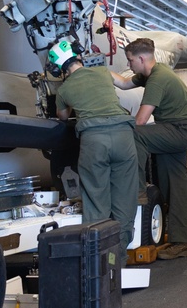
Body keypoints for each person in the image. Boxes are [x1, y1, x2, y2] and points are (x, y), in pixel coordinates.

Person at [113, 37, 187, 259]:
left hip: (179, 130)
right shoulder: (152, 73)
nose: (129, 65)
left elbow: (140, 121)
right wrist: (94, 72)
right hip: (178, 129)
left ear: (142, 58)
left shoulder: (157, 79)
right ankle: (182, 242)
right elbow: (123, 83)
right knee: (174, 185)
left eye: (131, 60)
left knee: (133, 133)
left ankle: (137, 188)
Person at [50, 40, 138, 257]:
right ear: (79, 54)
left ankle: (101, 261)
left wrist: (71, 100)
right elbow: (126, 83)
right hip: (123, 136)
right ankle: (120, 258)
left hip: (94, 141)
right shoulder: (102, 72)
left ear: (57, 68)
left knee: (96, 200)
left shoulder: (64, 89)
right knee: (125, 199)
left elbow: (61, 116)